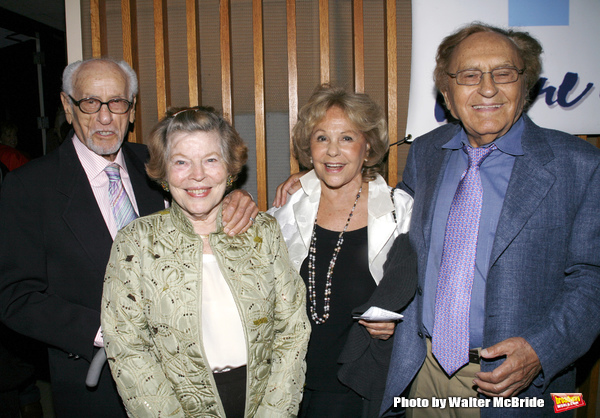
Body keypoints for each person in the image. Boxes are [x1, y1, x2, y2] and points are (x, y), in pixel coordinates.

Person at [0, 58, 257, 417]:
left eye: (117, 102)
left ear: (132, 109)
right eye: (90, 102)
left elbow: (203, 200)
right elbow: (16, 298)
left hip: (185, 382)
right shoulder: (29, 187)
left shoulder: (157, 164)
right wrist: (112, 331)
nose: (105, 117)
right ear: (66, 106)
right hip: (97, 385)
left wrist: (234, 198)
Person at [379, 23, 600, 417]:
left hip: (516, 385)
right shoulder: (427, 152)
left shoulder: (579, 166)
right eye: (469, 75)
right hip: (424, 372)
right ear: (447, 94)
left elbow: (594, 276)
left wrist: (541, 349)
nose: (487, 88)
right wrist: (311, 186)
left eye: (503, 73)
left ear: (525, 85)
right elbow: (390, 216)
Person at [101, 106, 310, 417]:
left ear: (229, 170)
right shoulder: (136, 243)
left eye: (210, 160)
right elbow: (128, 347)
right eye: (181, 162)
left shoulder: (263, 233)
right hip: (174, 404)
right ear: (164, 172)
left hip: (262, 399)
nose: (197, 175)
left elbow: (292, 330)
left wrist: (274, 412)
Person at [268, 84, 417, 417]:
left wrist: (399, 322)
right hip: (293, 384)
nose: (332, 151)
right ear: (309, 149)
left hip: (363, 384)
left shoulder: (400, 210)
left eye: (346, 138)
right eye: (322, 138)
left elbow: (421, 291)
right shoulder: (288, 208)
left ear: (368, 147)